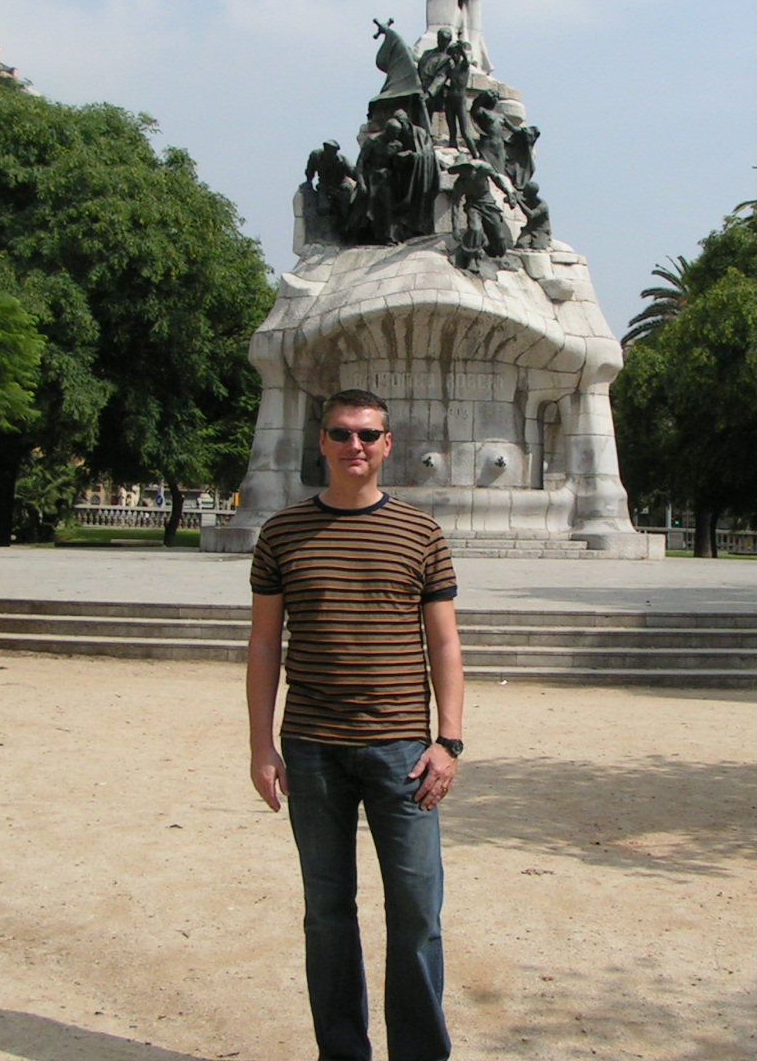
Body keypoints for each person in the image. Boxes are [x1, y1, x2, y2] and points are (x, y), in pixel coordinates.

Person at [248, 388, 464, 1061]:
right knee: (327, 912)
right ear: (322, 442)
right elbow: (264, 644)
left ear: (388, 444)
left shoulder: (421, 533)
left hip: (403, 749)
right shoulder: (282, 533)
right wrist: (261, 745)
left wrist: (449, 740)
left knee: (418, 911)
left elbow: (445, 643)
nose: (355, 446)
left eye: (368, 434)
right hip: (313, 747)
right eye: (341, 433)